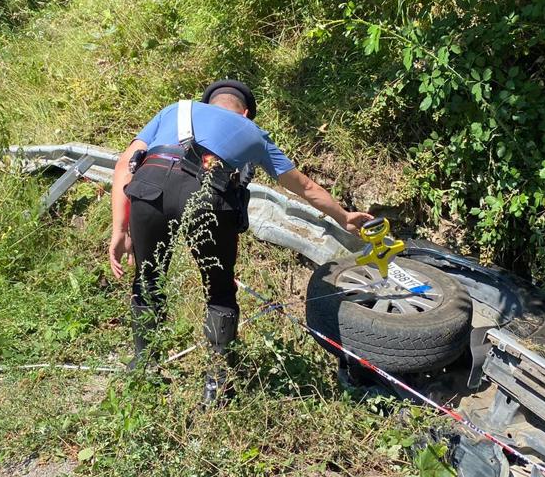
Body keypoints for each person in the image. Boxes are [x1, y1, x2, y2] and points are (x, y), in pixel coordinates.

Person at [108, 79, 373, 405]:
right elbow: (304, 187)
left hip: (150, 189)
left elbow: (125, 164)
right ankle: (218, 385)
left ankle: (144, 371)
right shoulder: (254, 134)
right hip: (208, 198)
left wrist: (119, 229)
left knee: (148, 281)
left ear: (209, 101)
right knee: (219, 291)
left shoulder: (176, 110)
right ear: (245, 112)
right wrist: (344, 217)